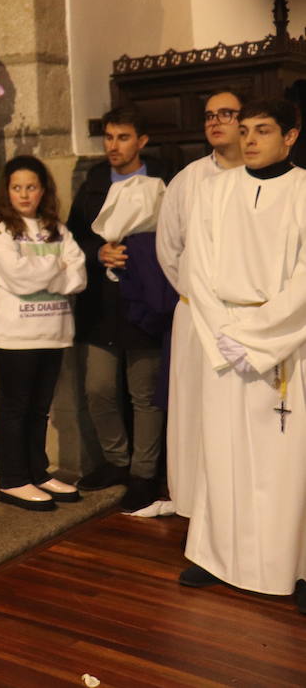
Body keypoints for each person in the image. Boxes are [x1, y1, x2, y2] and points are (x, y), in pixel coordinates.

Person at [179, 98, 306, 615]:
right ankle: (216, 556)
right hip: (224, 343)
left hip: (284, 346)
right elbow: (197, 268)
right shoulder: (215, 191)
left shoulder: (303, 192)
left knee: (287, 462)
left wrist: (256, 335)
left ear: (291, 136)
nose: (249, 139)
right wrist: (225, 334)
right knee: (222, 451)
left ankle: (294, 566)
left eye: (264, 130)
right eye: (245, 129)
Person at [67, 107, 170, 514]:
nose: (113, 146)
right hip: (100, 306)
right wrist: (99, 251)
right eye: (108, 137)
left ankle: (143, 475)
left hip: (145, 302)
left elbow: (178, 236)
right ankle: (116, 461)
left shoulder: (163, 179)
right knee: (98, 389)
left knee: (144, 394)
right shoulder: (93, 181)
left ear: (141, 141)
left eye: (123, 137)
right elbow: (73, 237)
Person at [155, 89, 243, 518]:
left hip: (248, 319)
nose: (215, 121)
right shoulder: (188, 179)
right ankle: (191, 502)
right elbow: (169, 249)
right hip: (195, 314)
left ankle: (238, 501)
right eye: (209, 114)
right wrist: (198, 295)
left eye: (225, 113)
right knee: (192, 408)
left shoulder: (274, 177)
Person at [0, 156, 87, 511]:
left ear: (43, 190)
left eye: (31, 187)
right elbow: (18, 279)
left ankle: (37, 473)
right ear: (7, 191)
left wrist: (46, 270)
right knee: (16, 408)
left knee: (40, 409)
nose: (24, 194)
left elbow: (79, 275)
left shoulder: (56, 228)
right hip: (15, 335)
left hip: (54, 331)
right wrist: (55, 267)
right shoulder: (0, 229)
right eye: (17, 188)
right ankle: (13, 480)